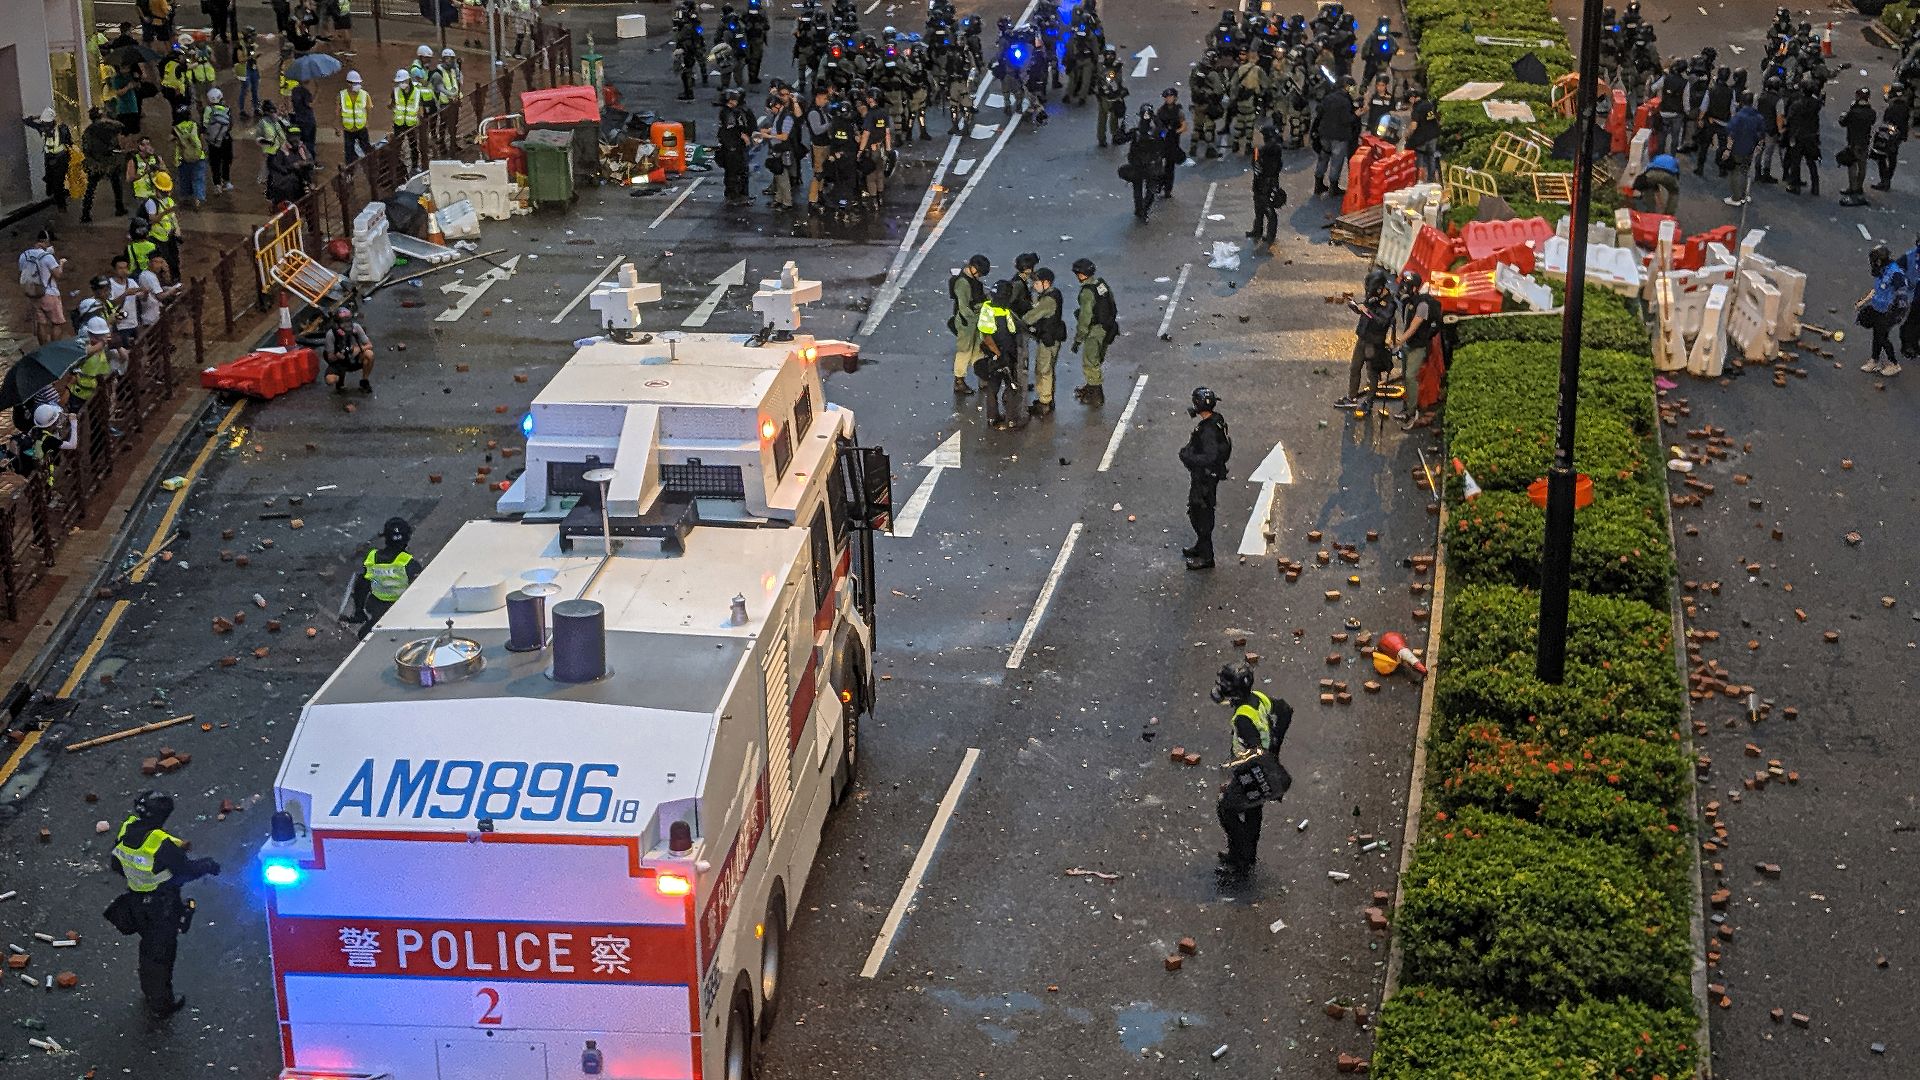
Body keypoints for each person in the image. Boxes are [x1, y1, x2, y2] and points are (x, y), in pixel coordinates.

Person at [105, 791, 220, 1018]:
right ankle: (160, 1005)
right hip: (160, 907)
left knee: (148, 950)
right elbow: (186, 871)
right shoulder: (160, 844)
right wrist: (208, 865)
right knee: (160, 954)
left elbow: (117, 864)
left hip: (136, 901)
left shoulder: (128, 827)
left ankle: (150, 991)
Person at [1209, 663, 1291, 882]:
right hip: (1264, 767)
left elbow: (1255, 749)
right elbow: (1285, 710)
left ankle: (1239, 861)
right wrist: (1276, 743)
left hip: (1252, 769)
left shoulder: (1243, 718)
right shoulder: (1258, 698)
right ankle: (1248, 856)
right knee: (1254, 810)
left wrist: (1232, 768)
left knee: (1227, 809)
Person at [1179, 387, 1231, 570]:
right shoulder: (1216, 421)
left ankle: (1207, 557)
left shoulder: (1208, 430)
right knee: (1196, 509)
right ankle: (1200, 547)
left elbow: (1209, 456)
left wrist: (1187, 457)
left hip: (1205, 478)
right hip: (1208, 475)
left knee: (1201, 514)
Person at [351, 517, 423, 635]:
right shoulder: (409, 563)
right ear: (407, 537)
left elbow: (361, 586)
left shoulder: (372, 557)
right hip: (401, 609)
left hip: (377, 607)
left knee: (364, 634)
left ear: (385, 537)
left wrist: (359, 611)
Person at [1335, 270, 1396, 410]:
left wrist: (1367, 312)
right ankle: (1351, 396)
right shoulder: (1373, 295)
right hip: (1363, 337)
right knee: (1355, 367)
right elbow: (1365, 306)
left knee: (1372, 372)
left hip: (1374, 342)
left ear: (1381, 288)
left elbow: (1382, 322)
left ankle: (1369, 401)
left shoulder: (1390, 304)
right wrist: (1356, 307)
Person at [1393, 270, 1442, 427]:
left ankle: (1413, 412)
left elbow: (1413, 327)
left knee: (1410, 377)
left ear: (1414, 288)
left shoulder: (1422, 306)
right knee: (1404, 375)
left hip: (1418, 347)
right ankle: (1407, 407)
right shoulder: (1410, 302)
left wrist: (1399, 341)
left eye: (1406, 287)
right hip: (1409, 345)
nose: (1403, 290)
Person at [976, 279, 1023, 429]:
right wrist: (998, 354)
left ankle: (993, 417)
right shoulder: (996, 311)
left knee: (994, 385)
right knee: (1010, 386)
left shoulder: (990, 309)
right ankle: (1010, 419)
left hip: (1000, 354)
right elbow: (987, 336)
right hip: (1001, 355)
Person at [1020, 267, 1066, 417]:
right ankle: (1046, 399)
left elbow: (1030, 317)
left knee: (1043, 370)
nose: (1034, 286)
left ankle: (1044, 403)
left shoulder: (1048, 301)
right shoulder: (1054, 294)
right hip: (1052, 337)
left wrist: (1018, 321)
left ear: (1046, 283)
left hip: (1048, 339)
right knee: (1046, 368)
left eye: (1037, 283)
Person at [1071, 257, 1116, 405]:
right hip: (1107, 327)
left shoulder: (1086, 293)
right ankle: (1091, 386)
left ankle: (1096, 395)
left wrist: (1078, 338)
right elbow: (1111, 303)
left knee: (1090, 362)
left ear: (1081, 275)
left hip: (1095, 331)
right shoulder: (1100, 284)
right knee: (1097, 358)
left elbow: (1085, 317)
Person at [1858, 243, 1907, 376]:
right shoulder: (1882, 271)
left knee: (1881, 335)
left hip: (1891, 310)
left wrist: (1896, 314)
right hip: (1879, 308)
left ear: (1879, 261)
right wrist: (1863, 302)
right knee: (1877, 334)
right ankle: (1874, 360)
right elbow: (1878, 290)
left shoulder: (1895, 273)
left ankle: (1894, 364)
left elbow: (1902, 294)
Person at [948, 253, 990, 395]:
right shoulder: (963, 283)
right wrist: (974, 319)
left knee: (978, 349)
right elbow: (964, 307)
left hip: (975, 319)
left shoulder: (970, 279)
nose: (980, 276)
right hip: (968, 321)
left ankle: (982, 377)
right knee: (965, 351)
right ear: (973, 268)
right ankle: (959, 381)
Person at [1312, 76, 1359, 196]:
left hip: (1325, 135)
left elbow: (1319, 111)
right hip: (1339, 136)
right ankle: (1333, 187)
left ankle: (1318, 184)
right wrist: (1357, 114)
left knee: (1323, 158)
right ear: (1347, 86)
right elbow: (1346, 119)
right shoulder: (1345, 101)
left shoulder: (1328, 97)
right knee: (1336, 162)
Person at [19, 233, 68, 346]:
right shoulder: (47, 257)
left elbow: (23, 271)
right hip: (49, 293)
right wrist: (61, 263)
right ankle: (54, 349)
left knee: (41, 323)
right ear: (46, 242)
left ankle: (43, 349)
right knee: (57, 323)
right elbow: (58, 275)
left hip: (33, 293)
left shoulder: (24, 255)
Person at [79, 108, 127, 223]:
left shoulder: (88, 131)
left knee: (91, 188)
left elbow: (85, 149)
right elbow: (121, 126)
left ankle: (85, 214)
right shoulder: (109, 127)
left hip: (96, 163)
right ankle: (119, 208)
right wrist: (107, 120)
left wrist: (90, 162)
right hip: (110, 162)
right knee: (116, 185)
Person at [24, 108, 75, 214]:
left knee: (58, 183)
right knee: (50, 181)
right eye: (44, 122)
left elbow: (69, 143)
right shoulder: (42, 127)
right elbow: (26, 121)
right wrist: (37, 116)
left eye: (47, 122)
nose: (46, 125)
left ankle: (61, 206)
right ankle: (57, 198)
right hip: (49, 158)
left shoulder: (61, 129)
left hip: (61, 159)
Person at [1120, 104, 1162, 220]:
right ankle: (1144, 209)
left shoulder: (1135, 132)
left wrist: (1121, 129)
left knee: (1137, 188)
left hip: (1137, 164)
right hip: (1150, 165)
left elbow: (1120, 139)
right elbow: (1164, 135)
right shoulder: (1155, 132)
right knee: (1151, 190)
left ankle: (1139, 209)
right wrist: (1157, 120)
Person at [1248, 124, 1286, 249]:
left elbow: (1259, 166)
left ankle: (1269, 235)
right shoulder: (1272, 150)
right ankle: (1258, 231)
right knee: (1260, 208)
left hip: (1266, 183)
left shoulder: (1269, 150)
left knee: (1267, 210)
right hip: (1264, 182)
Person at [1781, 79, 1822, 196]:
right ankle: (1815, 186)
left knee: (1796, 162)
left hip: (1797, 136)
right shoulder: (1816, 104)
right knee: (1811, 162)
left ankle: (1795, 185)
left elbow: (1789, 119)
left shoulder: (1796, 105)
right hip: (1811, 136)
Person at [1723, 92, 1764, 206]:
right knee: (1745, 171)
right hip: (1750, 148)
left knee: (1735, 171)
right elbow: (1761, 133)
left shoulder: (1739, 116)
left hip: (1738, 147)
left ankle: (1736, 197)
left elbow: (1731, 132)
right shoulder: (1758, 116)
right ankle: (1744, 195)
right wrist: (1758, 146)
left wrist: (1728, 149)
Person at [716, 88, 755, 205]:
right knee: (734, 171)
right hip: (732, 147)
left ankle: (736, 195)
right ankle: (734, 196)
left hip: (731, 146)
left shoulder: (728, 112)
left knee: (735, 171)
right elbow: (732, 129)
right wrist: (742, 136)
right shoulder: (728, 114)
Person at [323, 305, 374, 393]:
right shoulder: (331, 334)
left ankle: (364, 381)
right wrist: (338, 355)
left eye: (348, 320)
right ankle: (339, 381)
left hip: (353, 358)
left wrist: (359, 349)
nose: (346, 324)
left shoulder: (356, 327)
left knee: (369, 354)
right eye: (343, 322)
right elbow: (329, 357)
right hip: (339, 361)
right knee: (329, 380)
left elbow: (369, 345)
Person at [1838, 87, 1876, 206]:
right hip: (1865, 141)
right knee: (1862, 165)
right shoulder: (1871, 113)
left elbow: (1843, 122)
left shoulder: (1853, 112)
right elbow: (1872, 122)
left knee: (1852, 165)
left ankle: (1853, 188)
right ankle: (1859, 187)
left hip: (1853, 141)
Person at [1870, 86, 1909, 190]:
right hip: (1899, 135)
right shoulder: (1905, 106)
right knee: (1892, 158)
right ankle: (1887, 179)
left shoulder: (1892, 107)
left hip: (1891, 135)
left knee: (1882, 157)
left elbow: (1887, 122)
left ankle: (1885, 180)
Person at [170, 105, 206, 207]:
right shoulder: (195, 125)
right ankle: (197, 200)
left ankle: (185, 197)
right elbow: (202, 139)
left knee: (184, 178)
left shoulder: (176, 128)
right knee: (198, 178)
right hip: (199, 156)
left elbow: (169, 138)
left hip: (184, 157)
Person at [1154, 88, 1186, 197]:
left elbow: (1184, 126)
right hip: (1162, 141)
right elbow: (1157, 124)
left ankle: (1168, 188)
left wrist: (1175, 132)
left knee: (1170, 166)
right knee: (1158, 162)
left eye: (1171, 97)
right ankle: (1159, 183)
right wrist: (1162, 132)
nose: (1169, 99)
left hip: (1173, 141)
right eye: (1167, 97)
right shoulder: (1160, 110)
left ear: (1175, 98)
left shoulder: (1178, 111)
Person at [201, 88, 234, 193]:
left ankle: (217, 185)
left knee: (215, 163)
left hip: (213, 142)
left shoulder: (208, 109)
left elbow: (205, 125)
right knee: (226, 161)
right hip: (226, 139)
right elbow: (230, 125)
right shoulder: (227, 109)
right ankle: (227, 181)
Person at [1094, 49, 1129, 147]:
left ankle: (1112, 136)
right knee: (1104, 117)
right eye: (1108, 55)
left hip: (1112, 95)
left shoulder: (1115, 67)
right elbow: (1106, 80)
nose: (1110, 57)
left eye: (1111, 55)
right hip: (1104, 96)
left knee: (1113, 117)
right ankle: (1103, 138)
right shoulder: (1103, 67)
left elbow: (1118, 81)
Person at [1405, 84, 1440, 181]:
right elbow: (1436, 119)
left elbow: (1413, 126)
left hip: (1422, 138)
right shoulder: (1428, 104)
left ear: (1412, 98)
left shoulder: (1417, 108)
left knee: (1420, 158)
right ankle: (1432, 179)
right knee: (1431, 157)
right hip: (1433, 135)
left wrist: (1407, 135)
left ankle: (1420, 180)